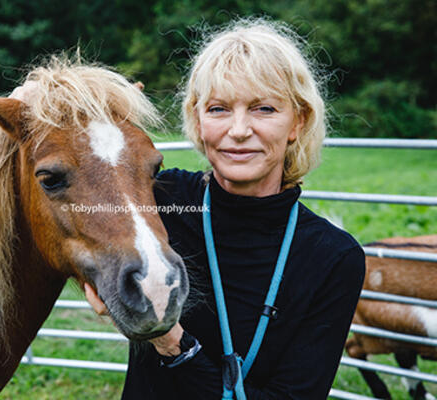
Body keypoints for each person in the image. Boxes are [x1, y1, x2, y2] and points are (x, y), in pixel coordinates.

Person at [86, 18, 365, 399]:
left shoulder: (333, 258)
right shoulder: (160, 200)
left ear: (298, 121)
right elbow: (75, 185)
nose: (238, 130)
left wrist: (170, 341)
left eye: (263, 109)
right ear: (198, 121)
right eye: (218, 109)